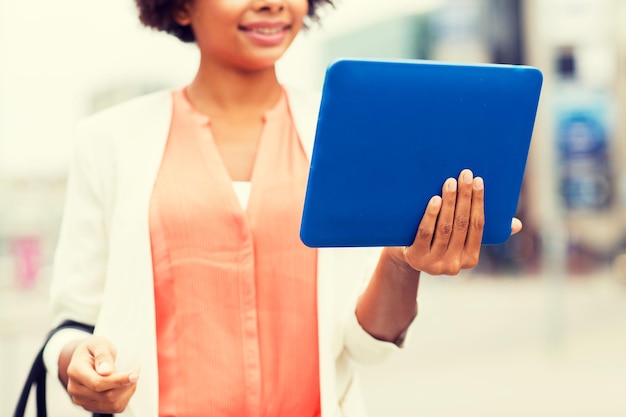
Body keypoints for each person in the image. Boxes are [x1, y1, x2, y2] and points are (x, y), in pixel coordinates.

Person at [42, 0, 523, 416]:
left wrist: (400, 261)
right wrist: (77, 360)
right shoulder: (109, 142)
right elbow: (71, 323)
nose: (272, 3)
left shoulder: (347, 133)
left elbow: (365, 345)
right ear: (182, 5)